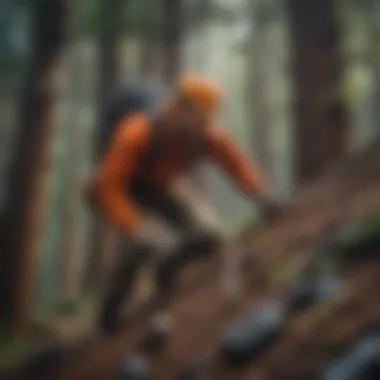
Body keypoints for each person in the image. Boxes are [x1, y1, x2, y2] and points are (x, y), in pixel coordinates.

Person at [88, 75, 279, 334]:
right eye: (196, 116)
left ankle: (166, 270)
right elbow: (108, 187)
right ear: (178, 107)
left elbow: (235, 163)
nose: (197, 128)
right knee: (143, 243)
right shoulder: (136, 132)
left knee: (208, 235)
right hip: (126, 188)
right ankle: (110, 315)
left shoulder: (206, 134)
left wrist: (260, 194)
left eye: (205, 119)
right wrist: (135, 225)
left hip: (164, 185)